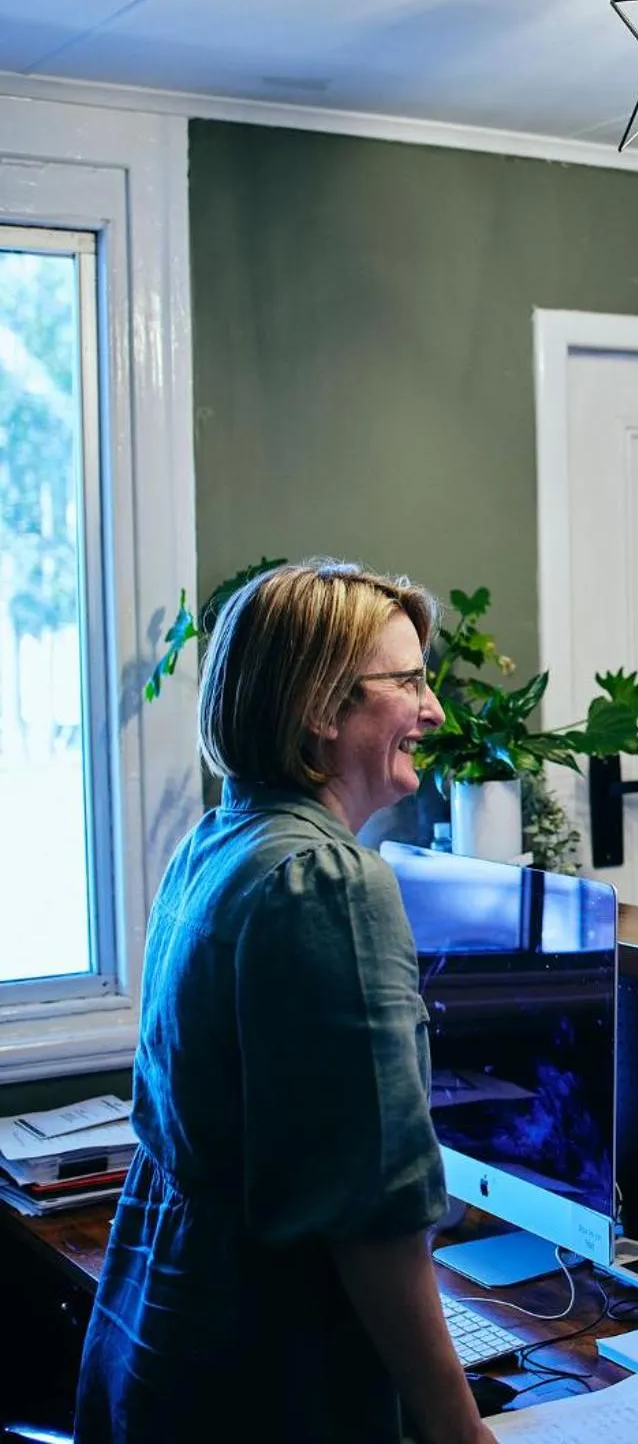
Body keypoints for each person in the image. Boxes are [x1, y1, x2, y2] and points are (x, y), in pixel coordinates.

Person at [74, 562, 494, 1444]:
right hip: (269, 1373)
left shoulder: (219, 843)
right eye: (410, 681)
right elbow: (375, 1219)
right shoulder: (326, 881)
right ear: (320, 705)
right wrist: (464, 1436)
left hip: (164, 1338)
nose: (435, 711)